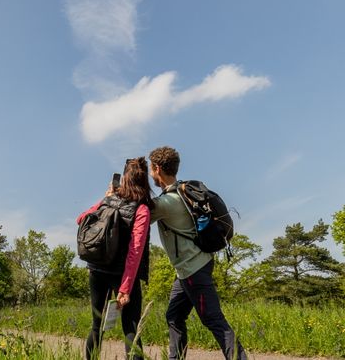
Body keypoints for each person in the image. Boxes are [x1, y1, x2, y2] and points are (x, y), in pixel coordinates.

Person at [148, 146, 247, 360]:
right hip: (190, 269)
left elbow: (140, 213)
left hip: (193, 269)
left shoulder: (167, 202)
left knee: (213, 319)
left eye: (150, 170)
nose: (150, 174)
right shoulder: (181, 193)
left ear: (157, 169)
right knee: (174, 316)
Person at [76, 157, 153, 360]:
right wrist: (125, 289)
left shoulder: (108, 201)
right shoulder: (142, 209)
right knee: (130, 328)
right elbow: (135, 251)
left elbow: (81, 219)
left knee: (96, 325)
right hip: (123, 275)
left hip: (97, 270)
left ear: (124, 178)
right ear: (145, 180)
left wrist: (105, 199)